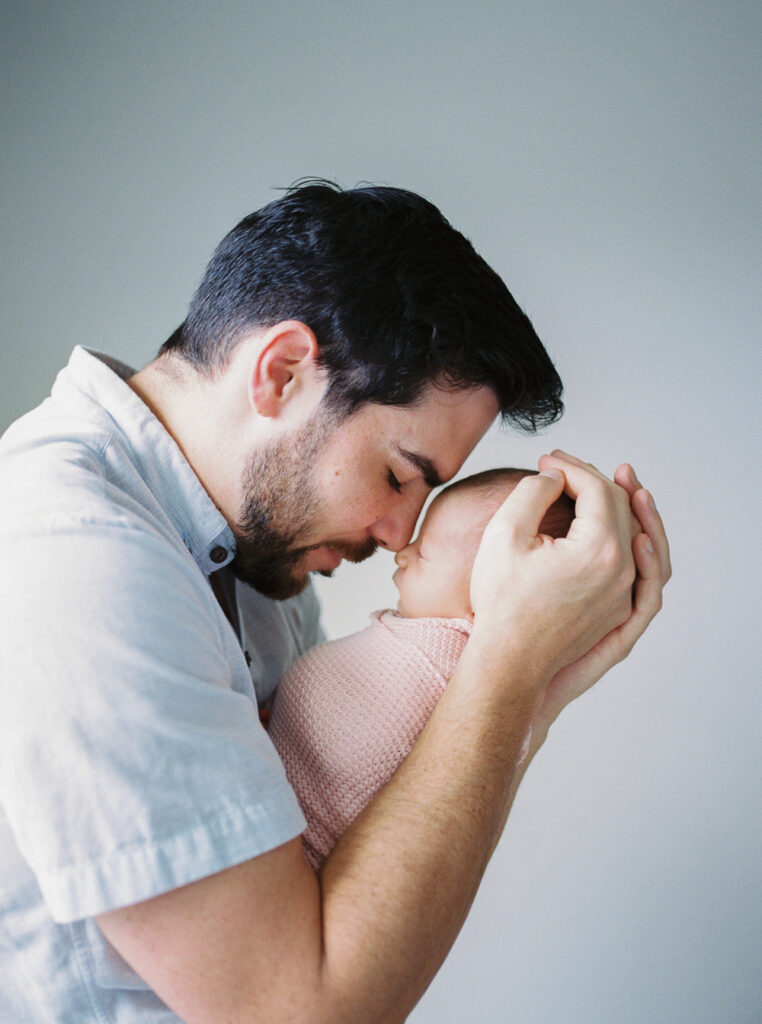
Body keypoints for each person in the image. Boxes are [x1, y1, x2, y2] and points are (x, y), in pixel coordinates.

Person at [0, 180, 670, 1024]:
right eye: (400, 474)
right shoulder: (81, 554)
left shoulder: (244, 553)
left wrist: (536, 679)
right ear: (282, 373)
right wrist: (506, 666)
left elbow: (352, 872)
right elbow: (301, 1010)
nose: (399, 533)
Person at [270, 468, 576, 870]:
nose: (402, 551)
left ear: (490, 594)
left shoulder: (467, 681)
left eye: (426, 549)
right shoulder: (426, 647)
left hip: (310, 855)